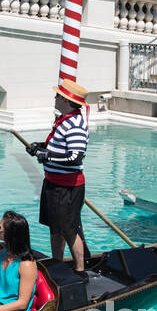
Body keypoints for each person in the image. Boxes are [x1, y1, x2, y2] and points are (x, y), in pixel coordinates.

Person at [30, 79, 90, 275]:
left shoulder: (76, 124)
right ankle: (57, 264)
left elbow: (75, 157)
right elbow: (58, 148)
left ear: (66, 101)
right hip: (53, 183)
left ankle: (80, 271)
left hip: (68, 188)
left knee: (69, 229)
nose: (54, 98)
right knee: (55, 227)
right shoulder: (64, 121)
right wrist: (40, 147)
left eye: (58, 96)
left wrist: (46, 155)